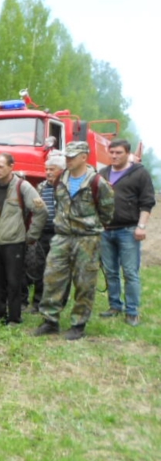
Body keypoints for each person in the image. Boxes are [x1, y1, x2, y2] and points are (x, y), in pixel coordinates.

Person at [35, 141, 115, 340]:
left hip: (86, 239)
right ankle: (50, 321)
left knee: (84, 282)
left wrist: (90, 228)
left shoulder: (98, 183)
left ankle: (78, 324)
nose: (68, 160)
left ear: (83, 157)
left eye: (72, 156)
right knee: (52, 278)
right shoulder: (61, 178)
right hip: (61, 236)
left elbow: (107, 213)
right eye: (67, 156)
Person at [0, 153, 47, 325]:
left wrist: (31, 235)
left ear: (11, 166)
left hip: (14, 243)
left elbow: (40, 211)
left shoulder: (22, 187)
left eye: (1, 166)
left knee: (13, 282)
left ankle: (14, 318)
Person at [98, 139, 156, 326]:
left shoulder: (139, 173)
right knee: (110, 271)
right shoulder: (103, 173)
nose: (114, 156)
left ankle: (132, 311)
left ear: (128, 153)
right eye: (112, 152)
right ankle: (115, 306)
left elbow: (147, 202)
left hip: (129, 230)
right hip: (106, 230)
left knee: (130, 272)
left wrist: (141, 226)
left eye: (119, 153)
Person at [25, 151, 68, 312]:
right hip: (44, 233)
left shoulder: (67, 187)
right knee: (39, 267)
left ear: (61, 171)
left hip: (61, 234)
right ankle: (37, 302)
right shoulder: (41, 187)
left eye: (52, 169)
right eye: (47, 169)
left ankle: (59, 303)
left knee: (60, 269)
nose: (48, 172)